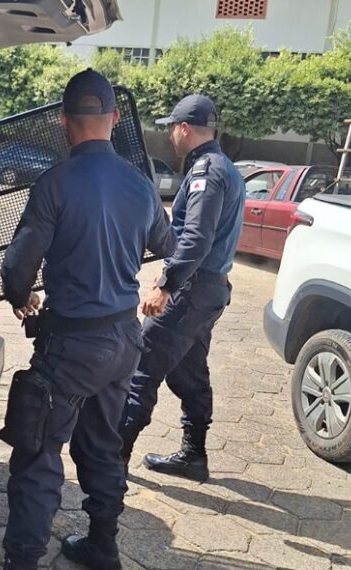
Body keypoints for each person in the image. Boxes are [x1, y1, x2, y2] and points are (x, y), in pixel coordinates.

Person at [0, 69, 176, 570]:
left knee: (37, 453)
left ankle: (22, 562)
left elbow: (17, 269)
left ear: (63, 122)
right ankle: (103, 546)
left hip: (72, 346)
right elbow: (166, 245)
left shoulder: (54, 183)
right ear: (115, 119)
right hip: (124, 339)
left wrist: (20, 296)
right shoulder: (141, 185)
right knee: (101, 446)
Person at [119, 94, 245, 482]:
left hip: (191, 288)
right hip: (208, 290)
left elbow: (196, 238)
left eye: (172, 127)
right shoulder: (224, 167)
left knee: (142, 367)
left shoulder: (208, 172)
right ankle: (193, 456)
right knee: (189, 372)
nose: (170, 134)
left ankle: (110, 465)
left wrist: (166, 285)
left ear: (185, 129)